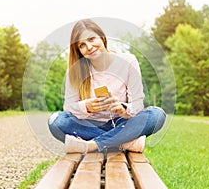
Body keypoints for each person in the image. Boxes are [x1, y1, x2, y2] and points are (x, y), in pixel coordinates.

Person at [48, 18, 166, 154]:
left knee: (157, 115)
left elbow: (138, 104)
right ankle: (123, 143)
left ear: (102, 37)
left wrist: (122, 109)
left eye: (91, 39)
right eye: (82, 45)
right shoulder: (75, 71)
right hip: (89, 125)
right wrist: (86, 106)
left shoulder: (128, 61)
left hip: (121, 123)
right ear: (79, 51)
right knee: (56, 121)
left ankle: (92, 145)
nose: (89, 47)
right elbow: (68, 108)